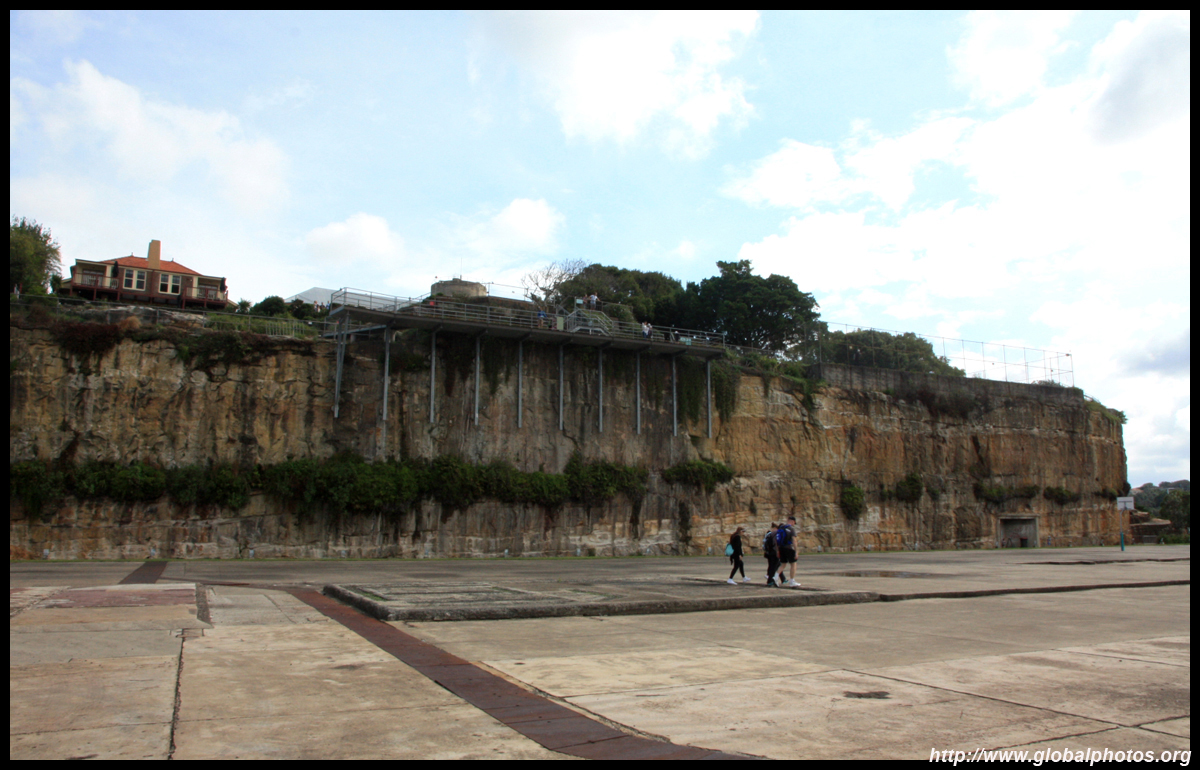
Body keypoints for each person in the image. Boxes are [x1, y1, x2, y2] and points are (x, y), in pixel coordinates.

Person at [777, 515, 800, 586]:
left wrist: (778, 550)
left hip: (781, 548)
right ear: (793, 521)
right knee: (793, 564)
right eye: (794, 523)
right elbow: (794, 540)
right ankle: (792, 581)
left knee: (783, 564)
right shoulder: (791, 528)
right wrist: (796, 551)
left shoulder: (781, 527)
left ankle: (775, 577)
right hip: (789, 548)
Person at [763, 522, 780, 587]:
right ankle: (771, 580)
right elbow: (776, 544)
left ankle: (770, 579)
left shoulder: (769, 534)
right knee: (774, 566)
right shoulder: (775, 534)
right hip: (774, 552)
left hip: (769, 552)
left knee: (771, 566)